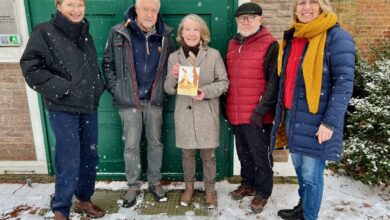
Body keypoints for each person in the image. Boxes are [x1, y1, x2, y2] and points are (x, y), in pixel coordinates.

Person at [19, 0, 105, 219]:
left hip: (87, 106)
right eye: (70, 4)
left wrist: (97, 88)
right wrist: (64, 88)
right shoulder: (44, 32)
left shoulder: (85, 32)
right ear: (58, 5)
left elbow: (88, 66)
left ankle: (84, 200)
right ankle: (61, 208)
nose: (76, 10)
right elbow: (31, 68)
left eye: (80, 5)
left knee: (89, 157)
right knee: (68, 158)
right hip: (63, 108)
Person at [272, 0, 356, 219]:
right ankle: (303, 207)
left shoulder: (337, 38)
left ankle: (310, 215)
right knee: (299, 167)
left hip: (317, 119)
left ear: (323, 6)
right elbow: (287, 78)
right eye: (301, 2)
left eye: (312, 2)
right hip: (292, 115)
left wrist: (330, 122)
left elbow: (344, 84)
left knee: (311, 173)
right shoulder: (294, 36)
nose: (306, 7)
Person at [102, 0, 174, 207]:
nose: (149, 14)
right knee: (131, 145)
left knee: (155, 143)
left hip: (154, 100)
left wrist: (162, 91)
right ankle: (133, 185)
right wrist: (118, 90)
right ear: (136, 10)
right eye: (145, 9)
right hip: (129, 101)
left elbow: (172, 66)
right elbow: (107, 64)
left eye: (154, 10)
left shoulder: (166, 35)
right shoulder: (118, 32)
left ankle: (154, 182)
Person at [164, 14, 229, 209]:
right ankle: (189, 187)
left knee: (208, 155)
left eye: (195, 29)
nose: (191, 33)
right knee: (187, 154)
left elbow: (224, 83)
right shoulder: (174, 57)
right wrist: (174, 78)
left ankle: (210, 190)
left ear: (202, 33)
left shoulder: (214, 54)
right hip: (184, 113)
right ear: (181, 33)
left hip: (206, 113)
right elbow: (167, 88)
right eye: (187, 29)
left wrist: (205, 91)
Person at [225, 2, 279, 213]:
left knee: (261, 155)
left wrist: (261, 110)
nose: (245, 21)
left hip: (258, 115)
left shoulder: (270, 44)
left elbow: (273, 83)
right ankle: (248, 183)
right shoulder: (233, 44)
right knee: (243, 152)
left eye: (250, 17)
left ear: (260, 19)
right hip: (236, 112)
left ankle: (263, 191)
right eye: (241, 18)